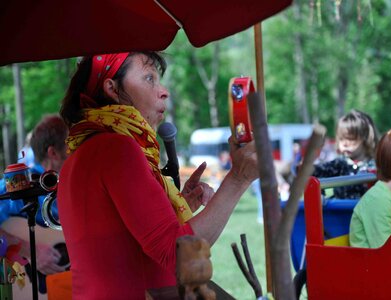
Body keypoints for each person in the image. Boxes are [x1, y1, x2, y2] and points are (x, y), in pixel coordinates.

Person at [58, 51, 258, 299]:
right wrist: (238, 178)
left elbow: (117, 238)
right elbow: (178, 254)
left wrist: (179, 204)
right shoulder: (117, 148)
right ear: (111, 87)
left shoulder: (80, 155)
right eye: (149, 78)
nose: (164, 91)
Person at [0, 114, 69, 296]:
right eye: (73, 146)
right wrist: (31, 251)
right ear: (53, 153)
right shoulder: (19, 184)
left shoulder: (75, 185)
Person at [311, 110, 379, 199]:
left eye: (351, 139)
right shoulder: (340, 164)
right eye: (341, 139)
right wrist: (320, 196)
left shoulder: (377, 166)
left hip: (366, 211)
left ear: (365, 138)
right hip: (340, 211)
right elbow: (313, 172)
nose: (344, 144)